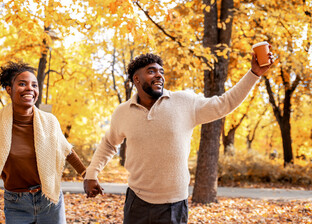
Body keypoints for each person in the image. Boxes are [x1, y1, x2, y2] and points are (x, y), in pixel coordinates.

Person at [84, 51, 274, 224]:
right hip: (137, 202)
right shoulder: (123, 112)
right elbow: (109, 143)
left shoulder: (185, 102)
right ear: (137, 79)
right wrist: (92, 173)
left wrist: (254, 74)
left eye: (161, 71)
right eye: (151, 71)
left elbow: (224, 104)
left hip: (173, 205)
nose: (159, 75)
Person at [0, 61, 86, 224]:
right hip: (16, 204)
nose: (30, 88)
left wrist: (87, 175)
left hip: (49, 200)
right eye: (22, 84)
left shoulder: (49, 121)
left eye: (34, 85)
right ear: (9, 89)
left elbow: (67, 150)